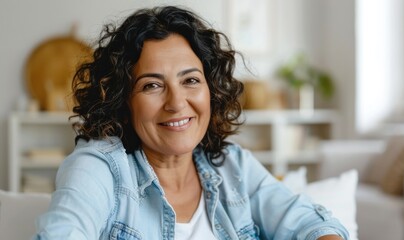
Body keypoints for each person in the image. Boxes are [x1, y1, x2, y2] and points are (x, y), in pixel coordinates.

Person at [34, 6, 349, 240]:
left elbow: (311, 225)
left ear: (210, 90)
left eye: (191, 80)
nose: (176, 103)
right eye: (152, 85)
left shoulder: (233, 166)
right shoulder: (100, 167)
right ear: (123, 100)